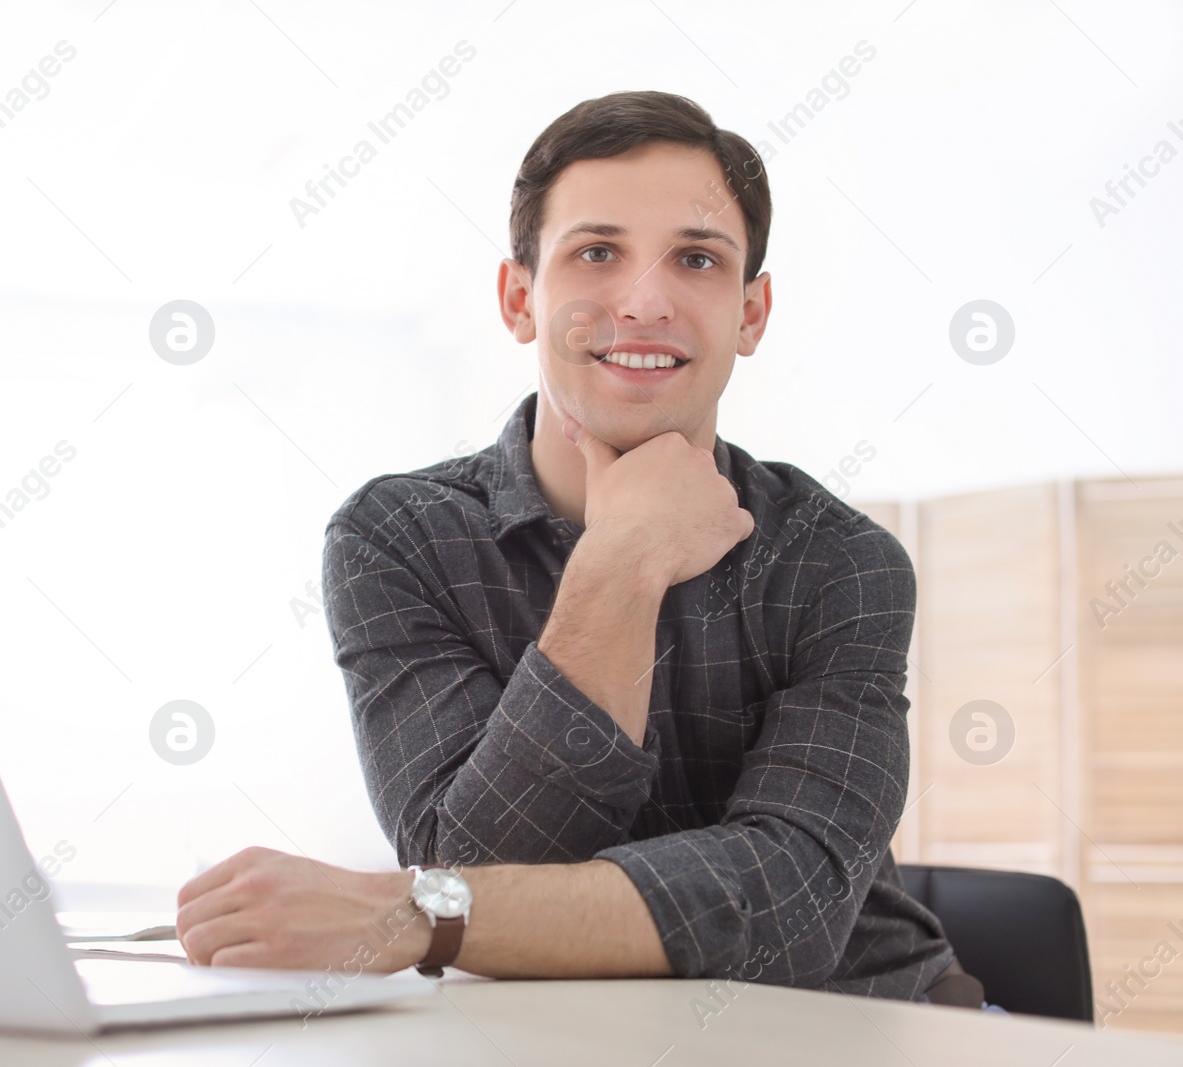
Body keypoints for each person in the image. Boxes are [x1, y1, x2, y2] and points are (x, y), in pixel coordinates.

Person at [176, 90, 988, 1010]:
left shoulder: (844, 561)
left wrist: (410, 911)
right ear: (520, 298)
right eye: (597, 252)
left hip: (861, 1024)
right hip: (555, 1031)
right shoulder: (395, 538)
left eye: (697, 259)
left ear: (751, 315)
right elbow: (479, 867)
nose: (645, 301)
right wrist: (623, 563)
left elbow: (788, 906)